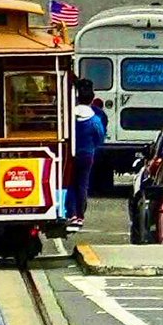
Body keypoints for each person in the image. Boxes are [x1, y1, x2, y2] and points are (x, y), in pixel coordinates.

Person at [66, 84, 106, 230]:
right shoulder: (94, 120)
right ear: (91, 99)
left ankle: (71, 213)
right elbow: (100, 137)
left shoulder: (70, 116)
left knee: (70, 183)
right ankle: (80, 215)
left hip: (70, 154)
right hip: (87, 155)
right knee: (82, 185)